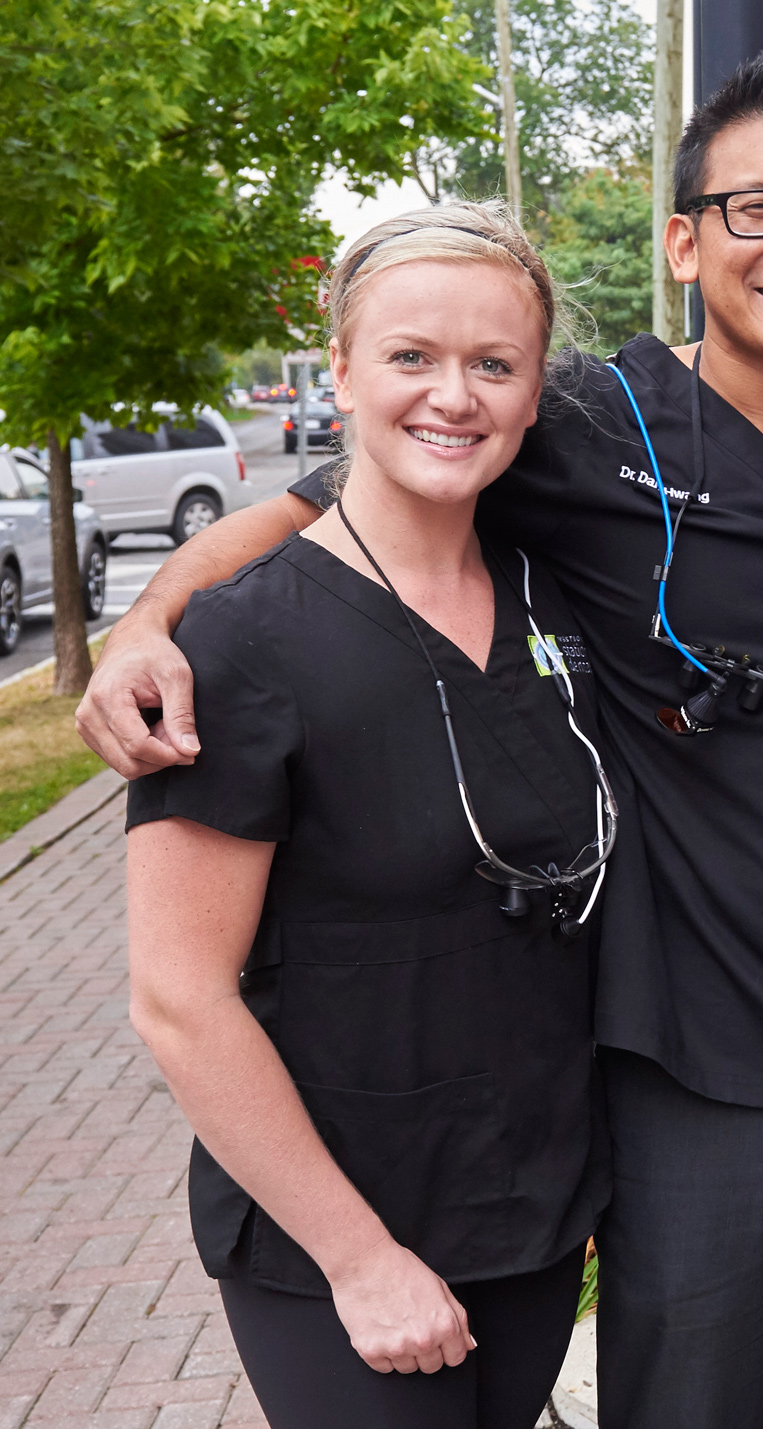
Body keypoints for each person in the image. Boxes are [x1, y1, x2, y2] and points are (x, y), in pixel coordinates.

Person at [87, 53, 763, 1429]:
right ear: (684, 240)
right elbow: (317, 513)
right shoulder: (582, 420)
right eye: (755, 208)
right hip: (694, 1070)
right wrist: (149, 619)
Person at [124, 201, 612, 1427]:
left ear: (534, 392)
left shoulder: (552, 599)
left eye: (494, 365)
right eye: (412, 357)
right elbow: (179, 996)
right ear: (337, 368)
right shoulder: (242, 644)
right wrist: (360, 1258)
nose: (455, 395)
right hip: (339, 1247)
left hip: (532, 1217)